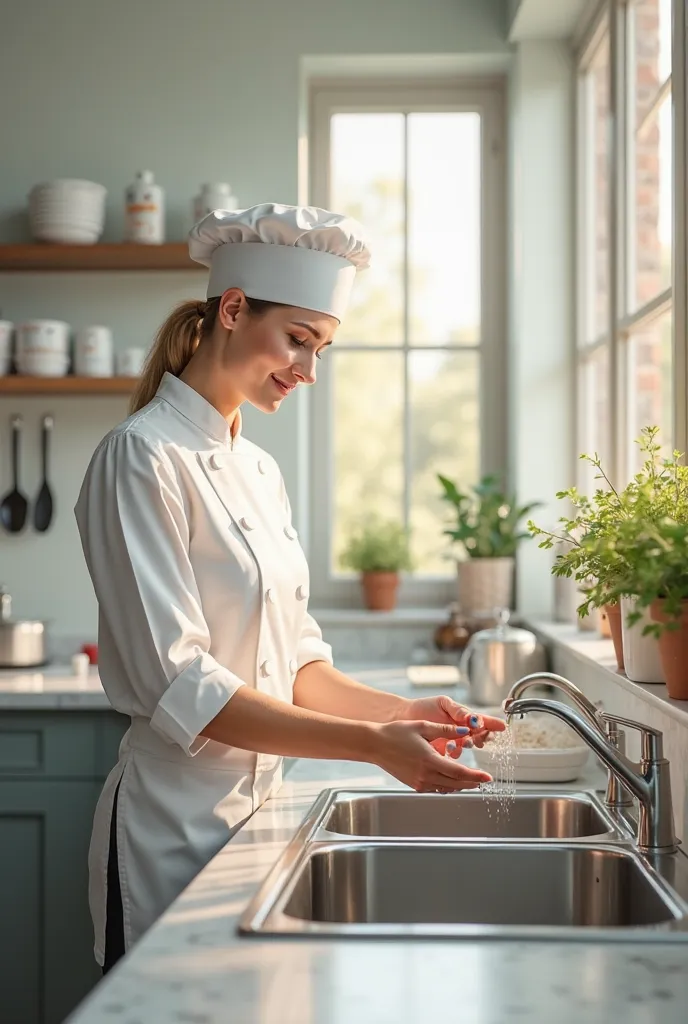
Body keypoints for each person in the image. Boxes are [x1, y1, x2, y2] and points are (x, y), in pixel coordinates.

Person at [75, 203, 504, 973]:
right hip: (171, 827)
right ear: (232, 311)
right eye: (300, 340)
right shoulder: (139, 457)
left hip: (263, 821)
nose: (309, 370)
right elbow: (182, 684)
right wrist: (373, 746)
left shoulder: (261, 471)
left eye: (323, 349)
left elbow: (297, 664)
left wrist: (402, 714)